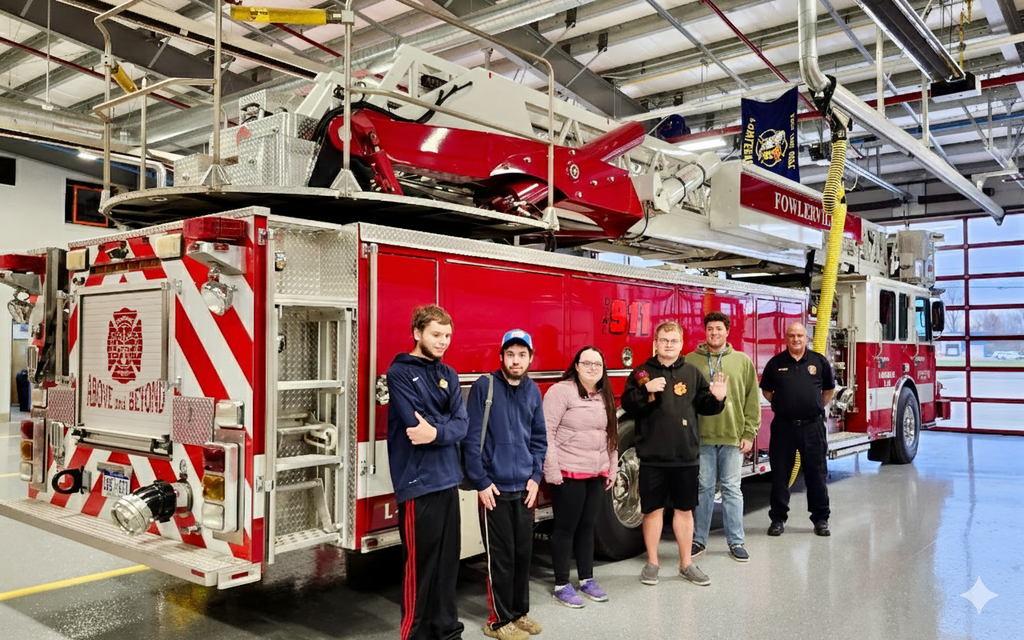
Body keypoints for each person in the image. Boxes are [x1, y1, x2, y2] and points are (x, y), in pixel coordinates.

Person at [621, 320, 728, 587]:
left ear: (681, 344)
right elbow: (628, 405)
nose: (669, 345)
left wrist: (717, 398)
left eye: (674, 341)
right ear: (655, 343)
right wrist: (645, 390)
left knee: (684, 510)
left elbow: (706, 406)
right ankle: (653, 563)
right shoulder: (641, 372)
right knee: (652, 510)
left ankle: (686, 564)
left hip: (685, 456)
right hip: (653, 456)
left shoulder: (692, 373)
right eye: (664, 340)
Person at [386, 304, 468, 640]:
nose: (443, 341)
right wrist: (441, 427)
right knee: (419, 571)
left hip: (448, 479)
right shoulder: (399, 372)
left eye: (447, 335)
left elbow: (461, 423)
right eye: (436, 334)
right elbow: (412, 423)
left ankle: (448, 632)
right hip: (418, 484)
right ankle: (414, 635)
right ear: (417, 333)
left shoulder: (448, 374)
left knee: (448, 567)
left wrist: (436, 432)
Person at [462, 329, 547, 640]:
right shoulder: (485, 387)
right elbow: (471, 442)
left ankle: (519, 612)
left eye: (522, 355)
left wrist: (535, 478)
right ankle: (498, 621)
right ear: (501, 357)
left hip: (524, 490)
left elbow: (539, 439)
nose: (516, 360)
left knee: (524, 553)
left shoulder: (533, 391)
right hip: (494, 490)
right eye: (510, 354)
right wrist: (482, 482)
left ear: (530, 358)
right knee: (501, 557)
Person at [542, 346, 619, 609]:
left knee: (588, 528)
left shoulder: (604, 395)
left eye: (598, 365)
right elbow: (546, 433)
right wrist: (551, 471)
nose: (593, 369)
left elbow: (612, 436)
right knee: (565, 529)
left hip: (596, 473)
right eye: (587, 363)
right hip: (568, 473)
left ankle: (587, 579)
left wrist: (612, 467)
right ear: (576, 366)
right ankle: (562, 584)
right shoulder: (560, 391)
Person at [684, 311, 761, 563]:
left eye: (719, 328)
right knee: (703, 489)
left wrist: (749, 432)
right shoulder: (691, 361)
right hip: (701, 437)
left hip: (732, 436)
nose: (714, 333)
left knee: (732, 489)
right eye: (710, 329)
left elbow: (752, 400)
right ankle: (698, 540)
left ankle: (736, 541)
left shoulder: (742, 361)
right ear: (704, 332)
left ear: (727, 331)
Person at [759, 322, 835, 537]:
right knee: (780, 476)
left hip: (813, 427)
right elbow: (766, 391)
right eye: (792, 335)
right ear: (786, 338)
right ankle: (778, 519)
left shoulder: (818, 362)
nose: (796, 339)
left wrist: (812, 406)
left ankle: (821, 519)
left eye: (800, 335)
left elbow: (828, 391)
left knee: (816, 475)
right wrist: (785, 404)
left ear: (806, 338)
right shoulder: (775, 363)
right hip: (784, 428)